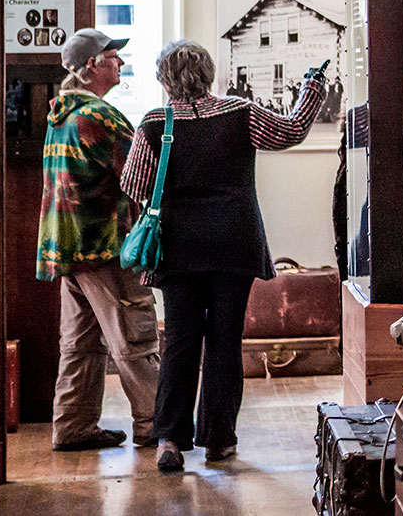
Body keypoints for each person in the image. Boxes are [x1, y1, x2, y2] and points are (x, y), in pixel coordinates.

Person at [121, 40, 326, 472]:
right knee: (225, 339)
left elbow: (134, 185)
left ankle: (170, 440)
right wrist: (312, 91)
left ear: (165, 80)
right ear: (209, 73)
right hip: (235, 241)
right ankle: (219, 439)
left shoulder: (156, 123)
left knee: (180, 340)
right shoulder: (240, 112)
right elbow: (290, 131)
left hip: (179, 248)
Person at [36, 29, 160, 452]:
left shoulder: (61, 114)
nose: (120, 62)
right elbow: (141, 174)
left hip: (66, 246)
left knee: (80, 343)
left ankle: (73, 426)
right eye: (113, 55)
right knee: (134, 336)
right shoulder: (99, 117)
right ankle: (154, 424)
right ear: (93, 64)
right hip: (104, 245)